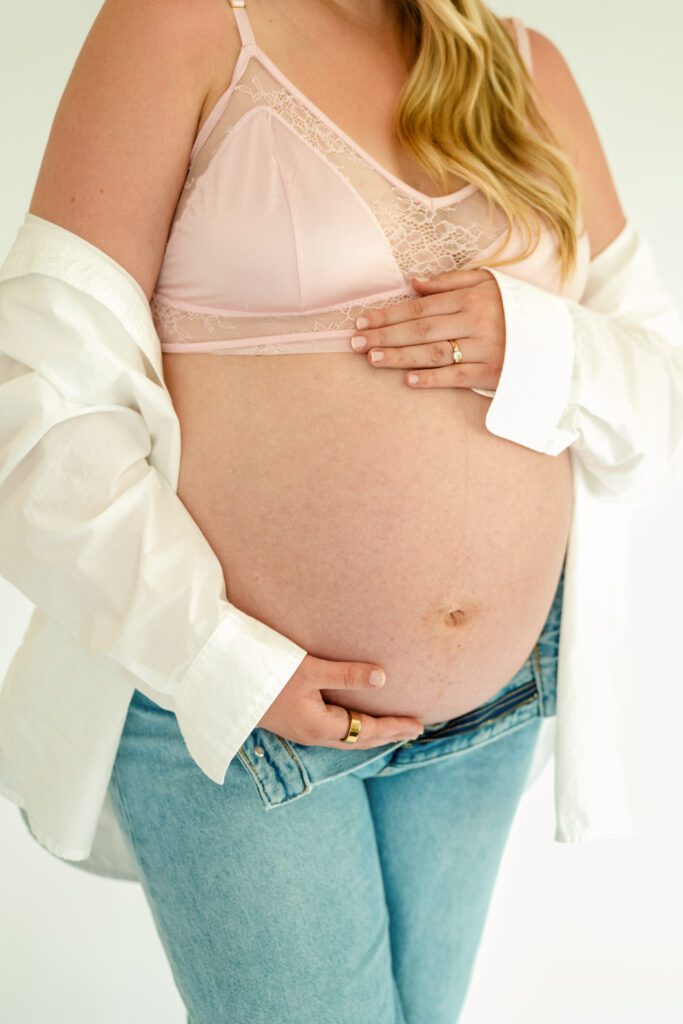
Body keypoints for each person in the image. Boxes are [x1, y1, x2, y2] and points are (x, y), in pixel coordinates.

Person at [1, 1, 682, 1021]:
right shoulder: (180, 26)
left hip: (484, 716)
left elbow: (656, 392)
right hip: (237, 715)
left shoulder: (522, 65)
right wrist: (221, 667)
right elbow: (35, 402)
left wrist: (535, 342)